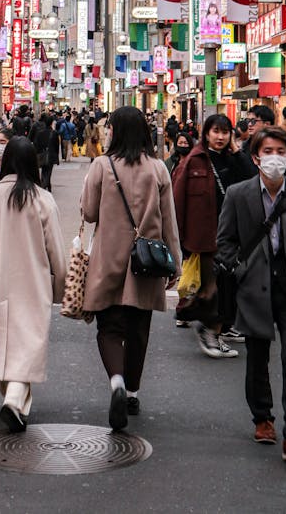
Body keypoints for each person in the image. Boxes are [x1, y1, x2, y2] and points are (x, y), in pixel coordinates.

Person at [217, 125, 286, 464]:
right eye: (268, 152)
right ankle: (262, 417)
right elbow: (224, 242)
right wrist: (239, 269)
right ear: (255, 157)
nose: (275, 158)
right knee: (258, 355)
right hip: (254, 286)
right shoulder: (238, 194)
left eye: (281, 152)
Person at [80, 106, 181, 430]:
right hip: (147, 261)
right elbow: (169, 221)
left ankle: (117, 383)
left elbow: (90, 212)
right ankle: (133, 392)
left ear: (116, 132)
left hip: (109, 257)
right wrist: (175, 264)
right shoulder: (158, 169)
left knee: (109, 328)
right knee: (139, 329)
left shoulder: (101, 166)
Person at [0, 136, 66, 432]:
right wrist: (61, 287)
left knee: (0, 342)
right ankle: (15, 398)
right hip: (35, 283)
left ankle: (12, 397)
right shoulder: (43, 199)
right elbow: (56, 250)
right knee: (29, 343)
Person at [173, 113, 247, 357]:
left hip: (231, 234)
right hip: (203, 236)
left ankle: (216, 327)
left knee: (228, 285)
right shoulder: (194, 160)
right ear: (206, 133)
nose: (221, 137)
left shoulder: (232, 158)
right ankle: (209, 331)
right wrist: (181, 240)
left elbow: (252, 178)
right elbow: (178, 201)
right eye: (216, 131)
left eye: (225, 132)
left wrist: (236, 151)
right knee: (212, 288)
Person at [243, 106, 286, 183]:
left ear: (267, 124)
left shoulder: (285, 147)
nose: (250, 124)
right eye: (248, 121)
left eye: (254, 121)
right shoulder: (243, 149)